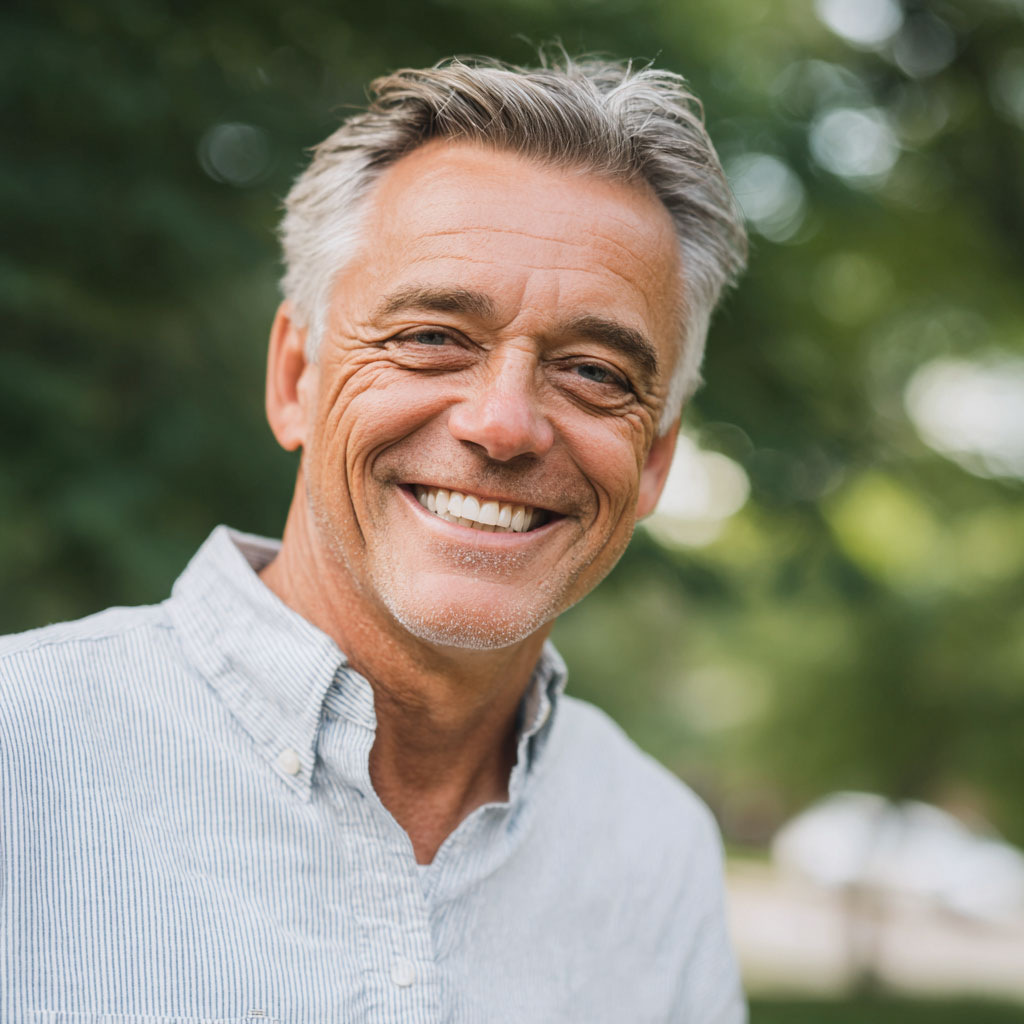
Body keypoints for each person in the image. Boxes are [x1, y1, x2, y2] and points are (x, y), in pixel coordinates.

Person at [1, 55, 748, 1022]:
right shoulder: (22, 757)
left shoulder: (657, 847)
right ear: (296, 376)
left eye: (597, 373)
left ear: (652, 460)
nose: (505, 423)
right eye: (433, 336)